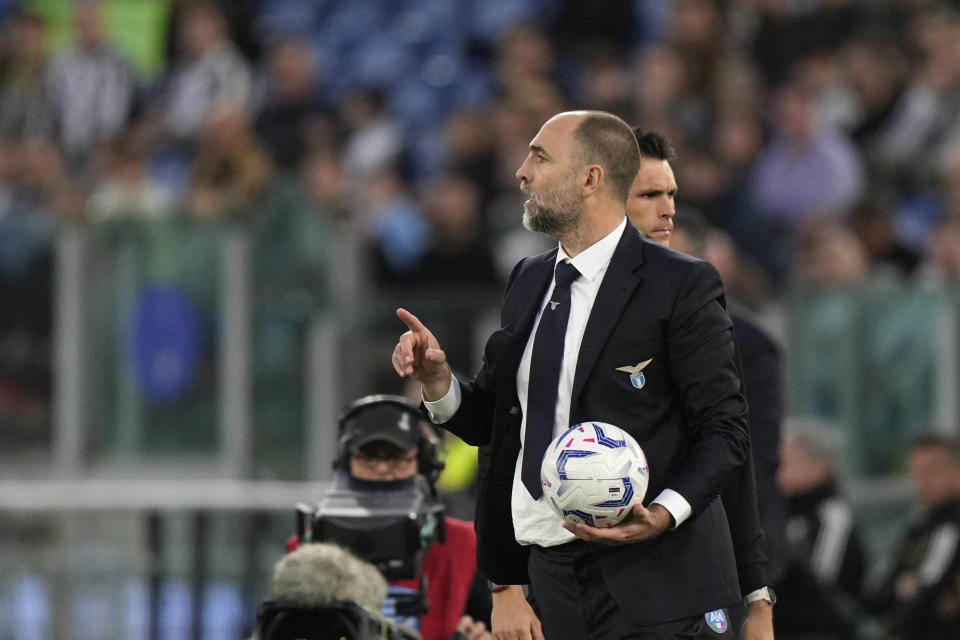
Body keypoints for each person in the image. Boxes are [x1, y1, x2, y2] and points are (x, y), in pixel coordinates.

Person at [393, 110, 750, 640]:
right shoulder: (528, 278)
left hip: (660, 579)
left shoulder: (681, 284)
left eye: (539, 157)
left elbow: (725, 430)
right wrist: (439, 383)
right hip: (551, 577)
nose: (521, 172)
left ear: (590, 179)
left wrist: (663, 512)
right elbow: (498, 425)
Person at [625, 128, 782, 640]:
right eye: (652, 195)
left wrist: (756, 588)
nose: (665, 210)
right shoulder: (558, 300)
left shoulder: (743, 339)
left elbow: (741, 453)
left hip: (697, 553)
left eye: (670, 195)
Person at [286, 395, 492, 640]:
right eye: (368, 456)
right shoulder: (310, 548)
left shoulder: (465, 547)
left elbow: (498, 624)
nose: (382, 468)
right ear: (346, 462)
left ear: (425, 464)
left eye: (396, 456)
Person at [775, 419, 867, 639]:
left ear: (819, 466)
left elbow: (822, 590)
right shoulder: (784, 514)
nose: (776, 472)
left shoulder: (832, 517)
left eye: (785, 462)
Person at [865, 433, 960, 639]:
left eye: (932, 471)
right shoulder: (918, 529)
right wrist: (901, 589)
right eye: (916, 472)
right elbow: (877, 597)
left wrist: (910, 590)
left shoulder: (951, 528)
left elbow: (922, 597)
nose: (923, 481)